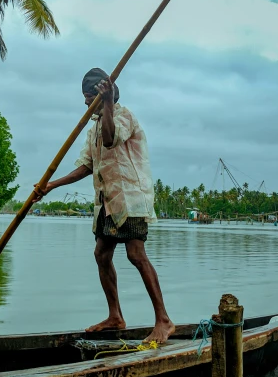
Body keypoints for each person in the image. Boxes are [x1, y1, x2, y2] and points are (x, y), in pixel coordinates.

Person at [34, 67, 175, 344]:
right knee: (101, 254)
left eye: (89, 97)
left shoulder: (123, 116)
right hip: (106, 202)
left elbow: (111, 139)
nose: (85, 103)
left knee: (136, 254)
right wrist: (51, 186)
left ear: (102, 97)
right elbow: (87, 166)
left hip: (130, 200)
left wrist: (109, 103)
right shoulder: (93, 127)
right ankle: (115, 316)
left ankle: (164, 321)